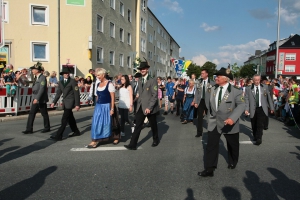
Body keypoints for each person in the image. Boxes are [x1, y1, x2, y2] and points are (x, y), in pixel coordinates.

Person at [198, 68, 245, 177]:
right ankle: (209, 169)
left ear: (226, 79)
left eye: (218, 76)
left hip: (228, 122)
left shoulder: (236, 91)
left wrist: (232, 118)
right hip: (214, 121)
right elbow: (207, 101)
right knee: (211, 146)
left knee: (232, 145)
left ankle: (233, 161)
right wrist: (208, 114)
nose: (216, 78)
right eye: (216, 76)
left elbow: (242, 105)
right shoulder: (212, 89)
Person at [124, 59, 159, 150]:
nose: (142, 70)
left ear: (147, 69)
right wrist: (134, 102)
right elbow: (140, 93)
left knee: (153, 125)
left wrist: (149, 107)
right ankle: (132, 144)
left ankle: (156, 139)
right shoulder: (139, 80)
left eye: (144, 68)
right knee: (138, 125)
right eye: (141, 69)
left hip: (149, 107)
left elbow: (154, 95)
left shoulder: (152, 80)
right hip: (140, 106)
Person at [87, 68, 116, 147]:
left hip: (106, 106)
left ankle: (101, 138)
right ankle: (94, 140)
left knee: (105, 123)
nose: (97, 77)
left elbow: (113, 97)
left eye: (98, 75)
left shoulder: (109, 84)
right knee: (96, 123)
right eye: (96, 75)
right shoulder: (98, 84)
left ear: (103, 75)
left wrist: (112, 108)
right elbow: (97, 96)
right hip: (98, 106)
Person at [50, 67, 81, 141]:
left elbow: (76, 93)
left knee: (64, 119)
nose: (66, 74)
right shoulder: (60, 82)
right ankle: (76, 131)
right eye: (65, 73)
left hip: (70, 102)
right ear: (63, 74)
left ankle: (59, 135)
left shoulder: (73, 81)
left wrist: (77, 104)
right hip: (65, 102)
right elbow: (58, 93)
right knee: (70, 118)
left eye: (67, 73)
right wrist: (54, 102)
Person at [244, 75, 274, 145]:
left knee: (260, 124)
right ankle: (255, 135)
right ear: (253, 80)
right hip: (253, 108)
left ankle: (259, 138)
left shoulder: (264, 87)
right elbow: (246, 99)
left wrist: (271, 108)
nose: (257, 81)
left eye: (258, 80)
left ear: (260, 80)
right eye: (255, 80)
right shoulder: (248, 88)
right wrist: (246, 109)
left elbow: (269, 98)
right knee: (254, 123)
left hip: (262, 108)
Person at [22, 62, 50, 134]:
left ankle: (46, 127)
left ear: (37, 70)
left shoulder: (42, 77)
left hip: (40, 99)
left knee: (44, 113)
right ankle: (29, 129)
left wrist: (37, 99)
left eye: (33, 69)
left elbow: (42, 89)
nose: (32, 71)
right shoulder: (36, 77)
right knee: (32, 113)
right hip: (36, 98)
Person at [194, 69, 215, 137]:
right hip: (201, 101)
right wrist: (196, 102)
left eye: (203, 73)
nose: (201, 75)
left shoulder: (212, 82)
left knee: (209, 117)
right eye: (201, 73)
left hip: (209, 101)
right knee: (199, 117)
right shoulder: (199, 82)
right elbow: (197, 92)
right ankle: (199, 132)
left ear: (207, 74)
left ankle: (210, 131)